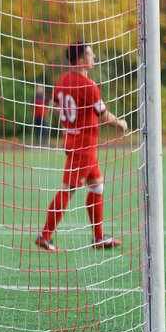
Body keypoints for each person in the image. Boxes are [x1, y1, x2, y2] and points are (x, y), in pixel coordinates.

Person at [36, 42, 128, 252]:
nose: (93, 56)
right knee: (68, 189)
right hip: (83, 146)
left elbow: (57, 106)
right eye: (89, 53)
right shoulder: (88, 85)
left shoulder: (63, 81)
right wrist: (121, 123)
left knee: (97, 185)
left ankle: (98, 237)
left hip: (73, 141)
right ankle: (44, 235)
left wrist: (71, 125)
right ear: (80, 60)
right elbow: (104, 116)